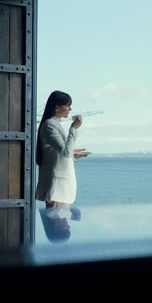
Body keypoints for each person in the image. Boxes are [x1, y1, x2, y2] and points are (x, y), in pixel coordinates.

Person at [35, 90, 88, 223]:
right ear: (57, 107)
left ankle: (56, 237)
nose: (70, 108)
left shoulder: (54, 124)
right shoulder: (49, 125)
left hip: (59, 181)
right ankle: (56, 237)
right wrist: (73, 129)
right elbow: (64, 152)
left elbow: (59, 151)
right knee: (52, 219)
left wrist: (73, 153)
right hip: (56, 182)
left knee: (53, 218)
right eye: (68, 105)